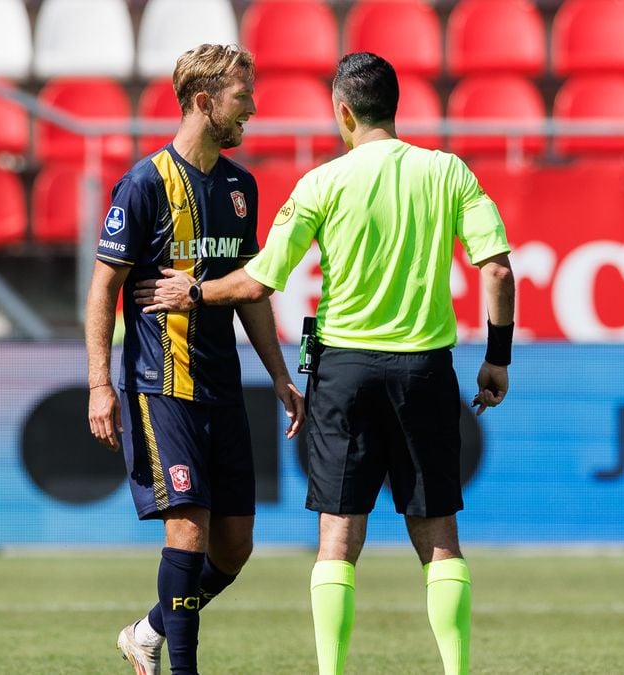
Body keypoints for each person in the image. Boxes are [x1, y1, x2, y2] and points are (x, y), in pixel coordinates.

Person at [136, 52, 516, 675]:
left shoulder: (321, 182)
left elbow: (260, 281)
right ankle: (456, 670)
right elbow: (496, 269)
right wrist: (496, 359)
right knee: (440, 538)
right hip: (423, 368)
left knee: (338, 538)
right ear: (395, 108)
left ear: (343, 111)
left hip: (344, 372)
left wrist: (195, 290)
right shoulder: (447, 172)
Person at [84, 44, 305, 675]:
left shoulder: (241, 187)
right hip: (161, 385)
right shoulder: (145, 184)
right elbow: (103, 288)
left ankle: (149, 630)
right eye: (243, 97)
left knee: (235, 547)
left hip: (223, 387)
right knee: (187, 532)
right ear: (204, 101)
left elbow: (249, 289)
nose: (254, 109)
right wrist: (101, 385)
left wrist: (280, 375)